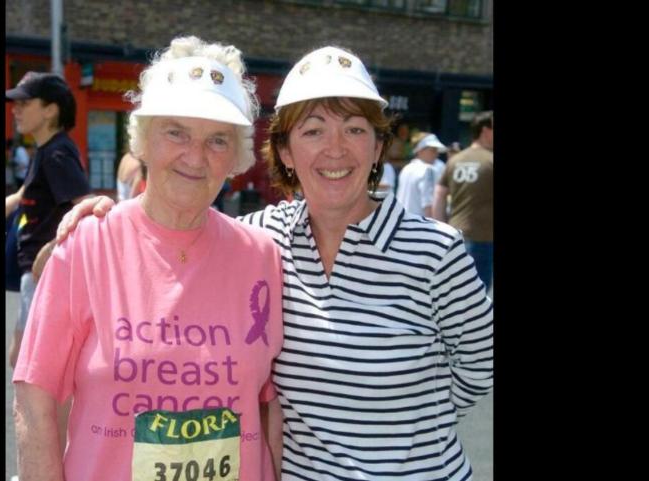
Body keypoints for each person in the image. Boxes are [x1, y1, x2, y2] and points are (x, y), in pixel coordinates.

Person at [58, 45, 493, 481]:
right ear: (285, 151)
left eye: (355, 130)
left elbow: (480, 366)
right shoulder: (261, 239)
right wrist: (106, 218)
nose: (335, 149)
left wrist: (410, 427)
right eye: (313, 131)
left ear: (379, 146)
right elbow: (178, 229)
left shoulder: (435, 251)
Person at [12, 36, 284, 481]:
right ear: (144, 139)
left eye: (218, 140)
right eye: (176, 132)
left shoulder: (262, 256)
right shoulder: (86, 247)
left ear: (236, 155)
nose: (195, 157)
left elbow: (270, 405)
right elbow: (36, 397)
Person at [4, 71, 93, 369]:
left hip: (46, 273)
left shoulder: (56, 154)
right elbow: (20, 196)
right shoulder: (44, 151)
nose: (15, 109)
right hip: (34, 273)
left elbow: (88, 209)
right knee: (23, 359)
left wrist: (54, 245)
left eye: (25, 103)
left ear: (51, 109)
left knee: (31, 364)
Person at [433, 111, 494, 292]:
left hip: (454, 235)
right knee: (478, 295)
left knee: (453, 291)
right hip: (482, 237)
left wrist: (440, 228)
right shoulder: (490, 161)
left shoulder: (455, 160)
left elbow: (439, 195)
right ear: (485, 131)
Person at [396, 132, 448, 217]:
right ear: (420, 150)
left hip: (402, 223)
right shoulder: (428, 170)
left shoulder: (406, 168)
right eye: (433, 150)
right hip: (419, 226)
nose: (436, 154)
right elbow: (428, 205)